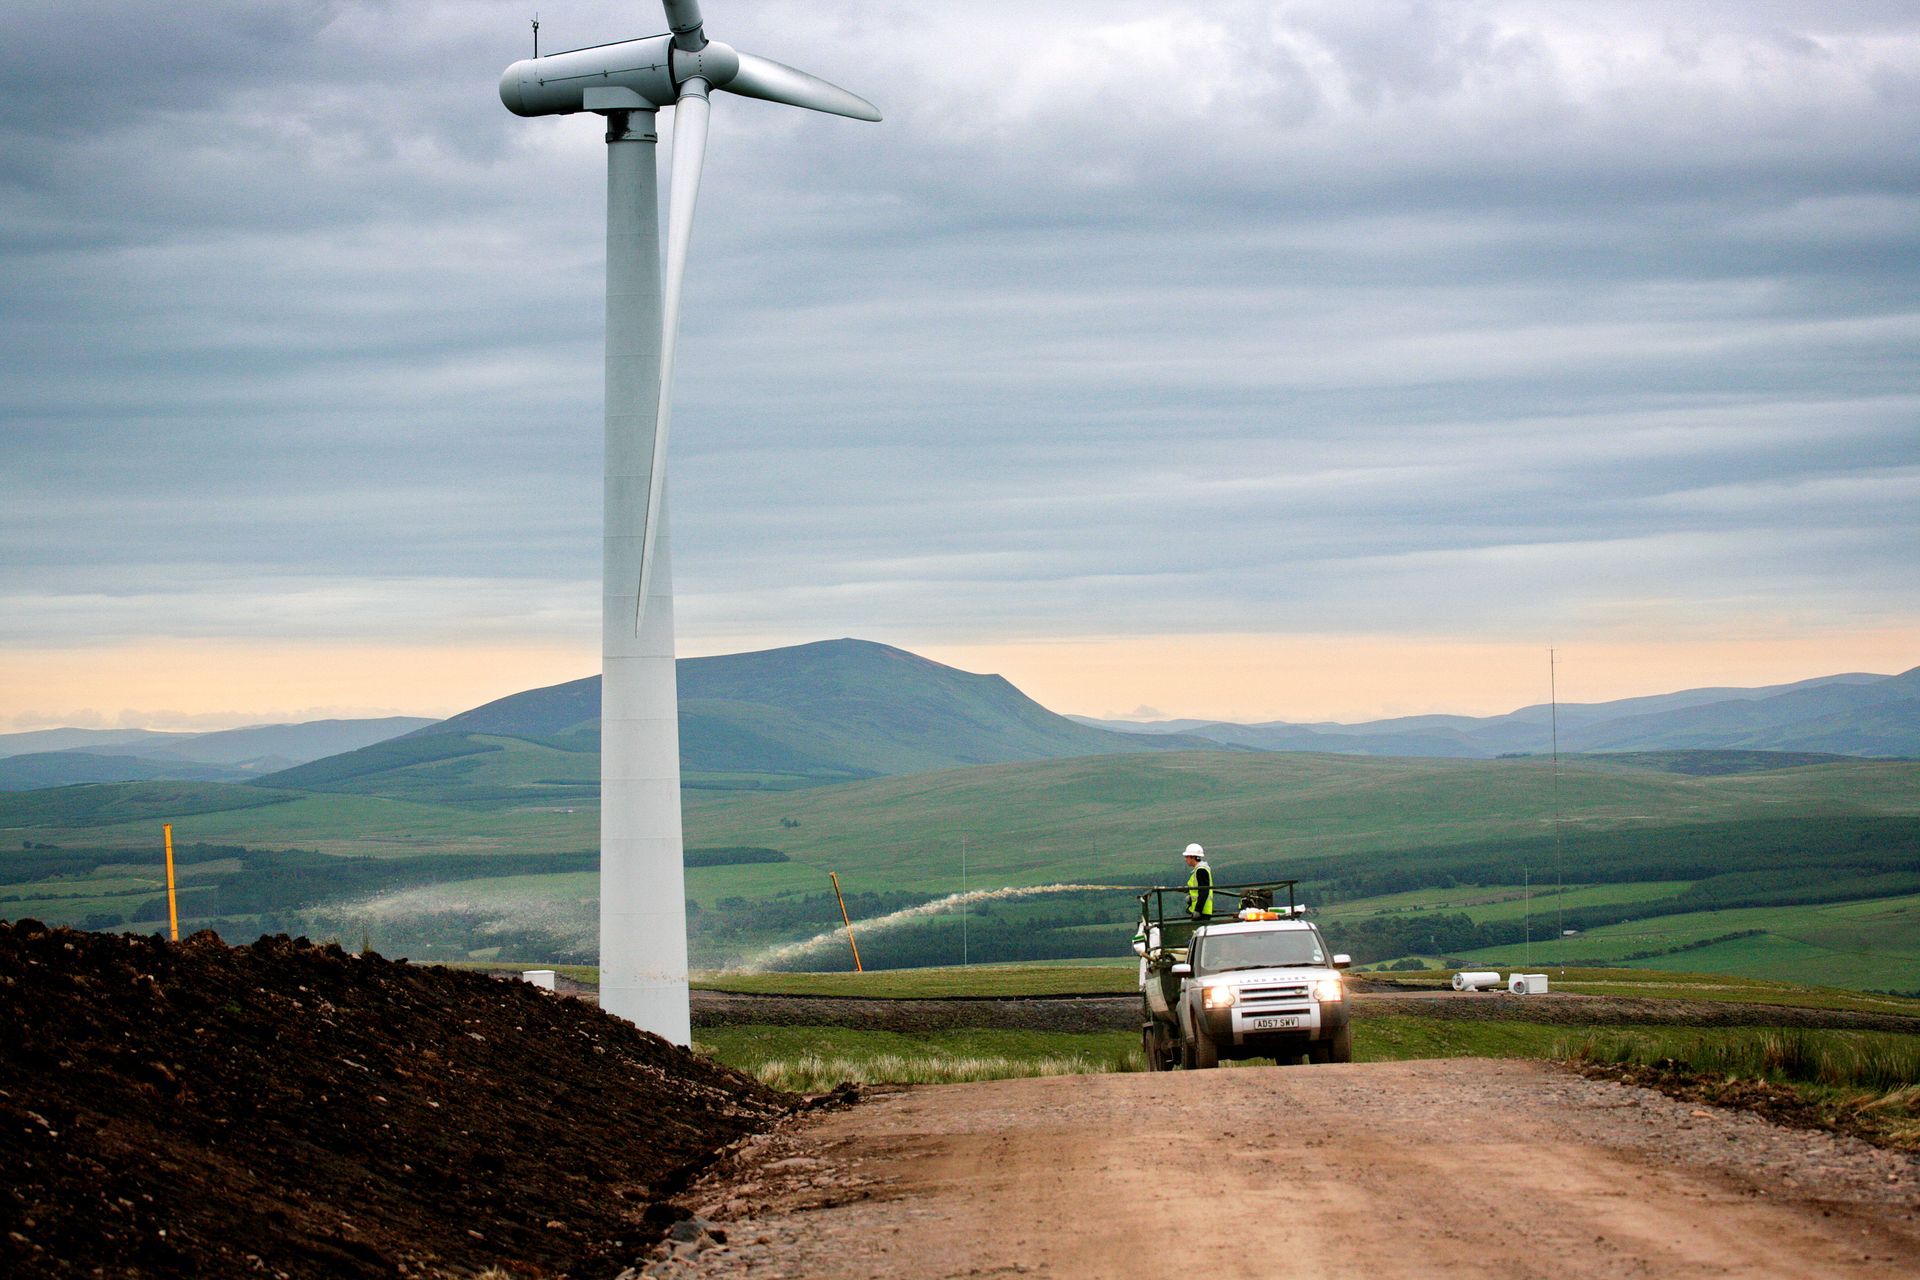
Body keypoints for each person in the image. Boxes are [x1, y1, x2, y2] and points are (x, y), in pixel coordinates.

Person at [1183, 842, 1214, 918]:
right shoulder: (1199, 870)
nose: (1185, 859)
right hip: (1203, 910)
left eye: (1187, 857)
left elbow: (1204, 891)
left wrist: (1198, 910)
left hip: (1202, 912)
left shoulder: (1201, 870)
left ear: (1193, 857)